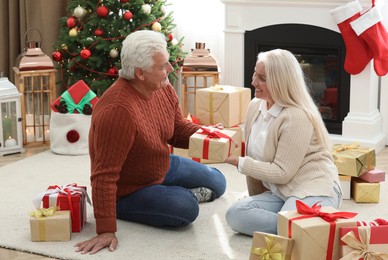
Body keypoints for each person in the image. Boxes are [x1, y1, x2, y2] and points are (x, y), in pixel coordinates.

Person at [75, 30, 226, 254]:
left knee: (219, 182)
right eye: (163, 66)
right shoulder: (117, 111)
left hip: (159, 163)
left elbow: (176, 130)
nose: (171, 70)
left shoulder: (161, 88)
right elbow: (104, 175)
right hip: (129, 188)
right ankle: (129, 205)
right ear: (140, 73)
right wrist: (106, 229)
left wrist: (205, 134)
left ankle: (171, 190)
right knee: (186, 209)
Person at [224, 49, 342, 236]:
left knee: (288, 223)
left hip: (311, 187)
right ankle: (304, 227)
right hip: (279, 191)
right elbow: (254, 155)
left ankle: (304, 227)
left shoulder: (296, 116)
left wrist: (239, 162)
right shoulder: (256, 105)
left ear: (280, 82)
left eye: (262, 78)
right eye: (255, 74)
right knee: (235, 214)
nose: (254, 82)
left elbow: (281, 173)